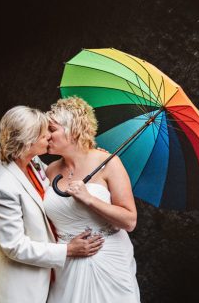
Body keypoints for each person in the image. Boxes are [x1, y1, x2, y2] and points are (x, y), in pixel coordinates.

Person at [0, 105, 105, 303]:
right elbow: (14, 246)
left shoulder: (33, 162)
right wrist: (68, 250)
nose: (48, 136)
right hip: (20, 291)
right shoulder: (1, 188)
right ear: (27, 142)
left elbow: (61, 179)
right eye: (43, 134)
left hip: (47, 280)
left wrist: (90, 158)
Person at [44, 96, 140, 303]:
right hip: (66, 265)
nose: (46, 135)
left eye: (52, 130)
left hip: (109, 263)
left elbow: (129, 221)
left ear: (73, 130)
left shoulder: (108, 162)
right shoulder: (49, 171)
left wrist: (90, 199)